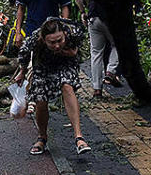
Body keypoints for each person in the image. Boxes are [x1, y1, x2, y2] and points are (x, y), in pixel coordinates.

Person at [14, 17, 92, 156]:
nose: (56, 45)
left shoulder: (73, 32)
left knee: (66, 86)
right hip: (43, 67)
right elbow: (24, 53)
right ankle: (42, 138)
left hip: (65, 63)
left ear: (64, 35)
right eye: (52, 42)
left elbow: (83, 39)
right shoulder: (35, 38)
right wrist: (22, 72)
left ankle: (79, 138)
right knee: (41, 100)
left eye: (59, 41)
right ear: (44, 40)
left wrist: (72, 51)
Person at [78, 0, 122, 97]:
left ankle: (97, 88)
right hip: (109, 17)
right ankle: (110, 71)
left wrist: (82, 12)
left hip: (92, 16)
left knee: (96, 53)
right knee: (118, 45)